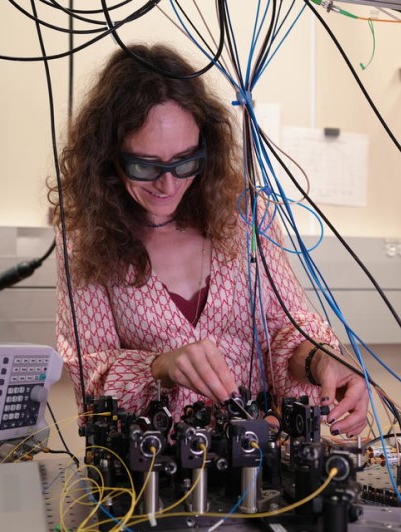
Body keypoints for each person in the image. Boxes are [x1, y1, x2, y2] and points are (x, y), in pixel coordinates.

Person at [50, 43, 368, 437]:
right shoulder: (85, 241)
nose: (168, 184)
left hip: (255, 460)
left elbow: (284, 331)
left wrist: (320, 359)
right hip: (149, 474)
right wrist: (159, 367)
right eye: (145, 165)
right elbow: (89, 377)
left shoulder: (247, 218)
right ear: (108, 158)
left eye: (186, 161)